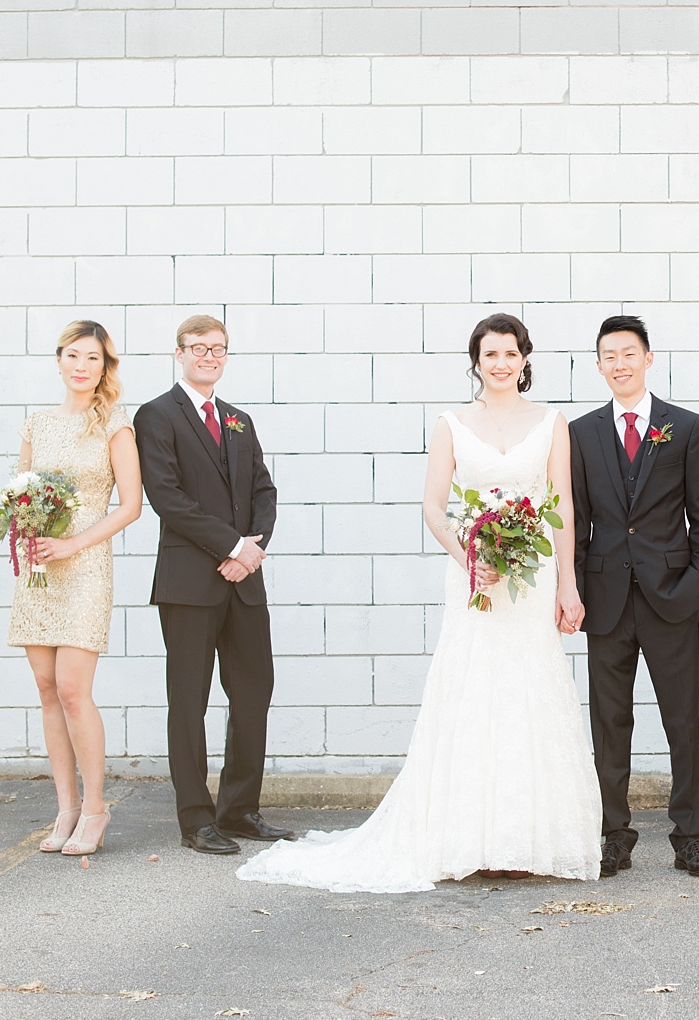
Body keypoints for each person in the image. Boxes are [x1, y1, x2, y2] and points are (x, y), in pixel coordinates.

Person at [236, 313, 601, 892]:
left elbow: (563, 504)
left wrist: (568, 585)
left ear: (525, 360)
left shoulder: (553, 423)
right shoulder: (452, 423)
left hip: (532, 579)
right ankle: (466, 836)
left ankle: (526, 838)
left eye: (511, 354)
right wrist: (469, 557)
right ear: (476, 362)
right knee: (472, 690)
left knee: (530, 689)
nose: (501, 364)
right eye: (490, 355)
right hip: (474, 575)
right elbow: (433, 506)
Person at [571, 315, 699, 878]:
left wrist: (695, 588)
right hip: (606, 602)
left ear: (648, 358)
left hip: (670, 599)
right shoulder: (581, 433)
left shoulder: (684, 427)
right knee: (610, 723)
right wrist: (577, 593)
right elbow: (578, 521)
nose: (619, 364)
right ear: (598, 365)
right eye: (609, 356)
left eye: (628, 354)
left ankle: (690, 837)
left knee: (683, 722)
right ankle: (615, 835)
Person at [134, 315, 287, 856]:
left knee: (253, 691)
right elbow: (167, 496)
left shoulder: (239, 420)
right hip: (189, 583)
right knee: (189, 700)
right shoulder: (156, 415)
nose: (209, 356)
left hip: (243, 581)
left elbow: (264, 490)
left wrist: (252, 549)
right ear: (179, 353)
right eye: (198, 348)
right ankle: (196, 818)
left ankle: (240, 809)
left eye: (218, 349)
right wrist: (231, 546)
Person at [8, 320, 142, 857]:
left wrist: (74, 544)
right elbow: (20, 494)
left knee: (71, 689)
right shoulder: (36, 424)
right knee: (44, 686)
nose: (81, 366)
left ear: (104, 367)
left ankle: (95, 809)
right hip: (40, 567)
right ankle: (64, 808)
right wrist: (28, 538)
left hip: (85, 565)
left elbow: (130, 506)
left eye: (93, 358)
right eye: (73, 355)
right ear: (59, 360)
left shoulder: (114, 425)